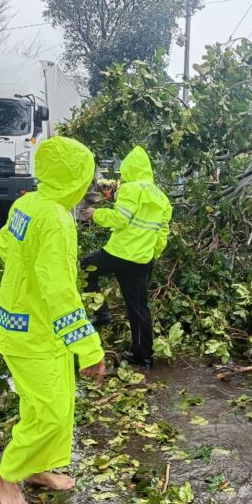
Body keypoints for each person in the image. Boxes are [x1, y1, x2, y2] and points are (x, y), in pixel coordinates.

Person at [0, 136, 106, 504]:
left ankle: (37, 468)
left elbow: (6, 243)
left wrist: (22, 278)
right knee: (51, 412)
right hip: (34, 334)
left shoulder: (28, 202)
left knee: (48, 403)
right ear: (73, 178)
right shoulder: (56, 220)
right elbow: (60, 292)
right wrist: (89, 348)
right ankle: (9, 474)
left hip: (25, 325)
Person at [81, 145, 172, 369]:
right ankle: (144, 356)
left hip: (118, 253)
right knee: (138, 307)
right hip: (141, 260)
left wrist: (95, 214)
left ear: (129, 169)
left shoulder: (131, 189)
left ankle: (101, 313)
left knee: (85, 267)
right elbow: (162, 234)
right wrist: (152, 255)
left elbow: (120, 219)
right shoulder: (162, 198)